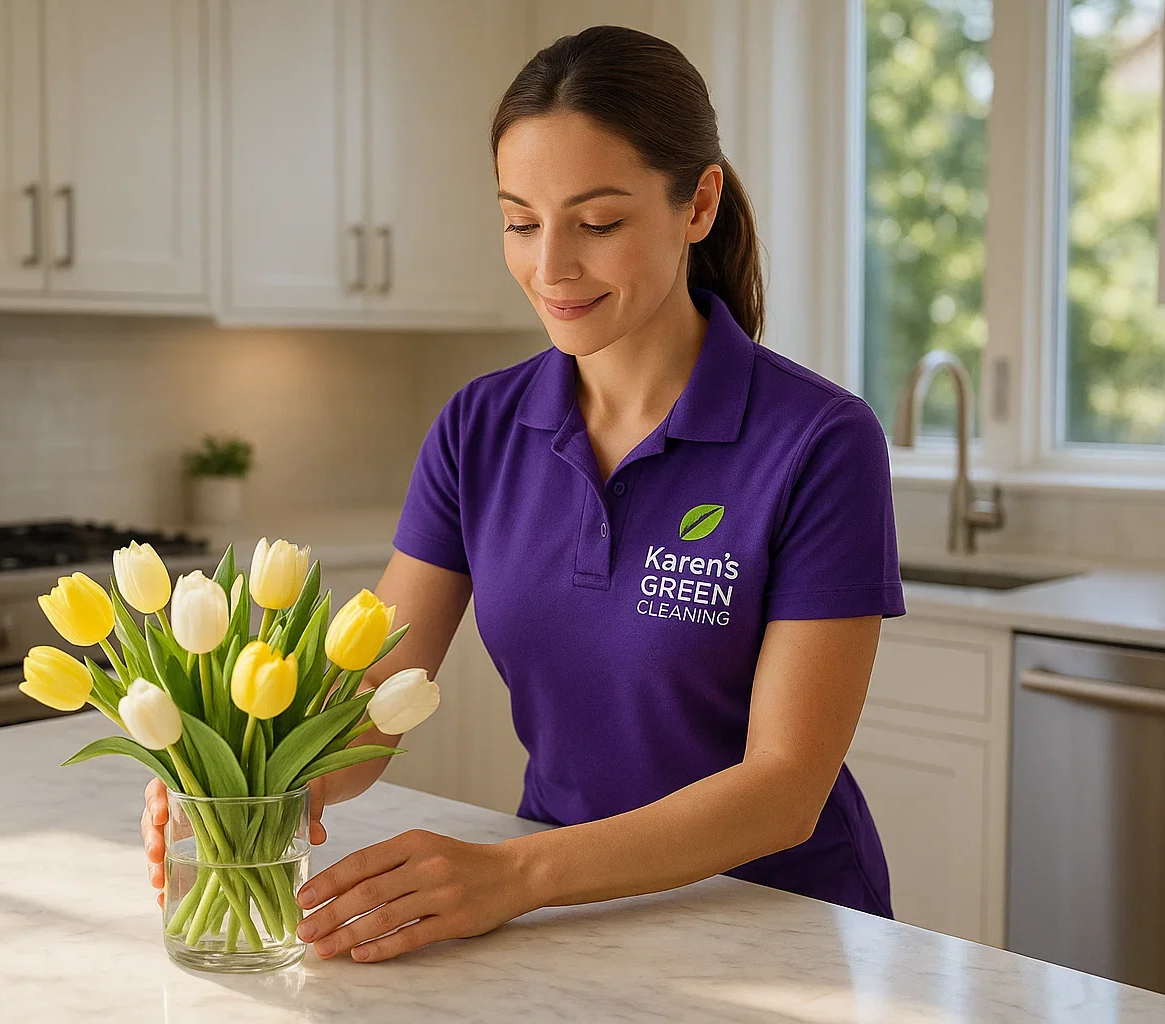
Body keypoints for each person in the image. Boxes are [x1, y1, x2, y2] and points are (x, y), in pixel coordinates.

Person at [142, 24, 904, 964]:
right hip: (565, 921)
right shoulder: (479, 429)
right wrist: (245, 783)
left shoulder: (820, 442)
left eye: (599, 223)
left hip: (775, 927)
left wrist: (512, 875)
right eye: (520, 221)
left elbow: (786, 787)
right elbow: (376, 701)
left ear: (698, 202)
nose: (551, 268)